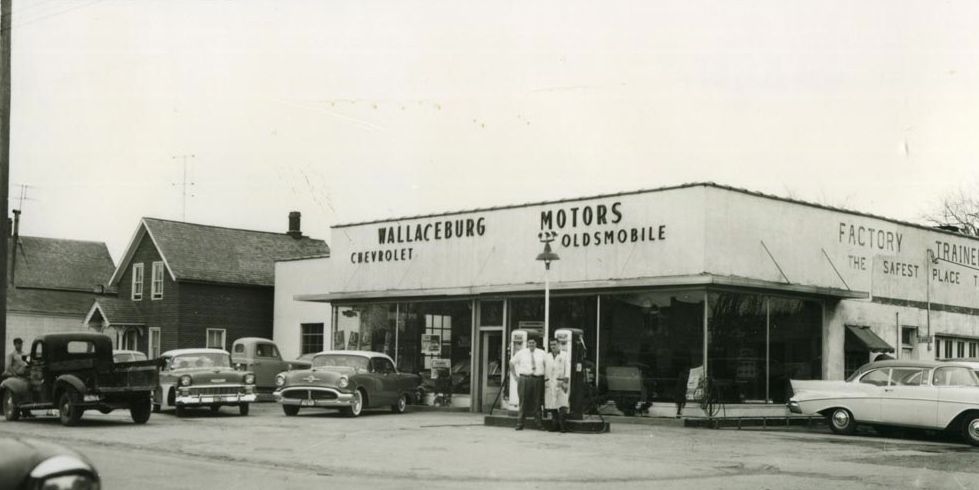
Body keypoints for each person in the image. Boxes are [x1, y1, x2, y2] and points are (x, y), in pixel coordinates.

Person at [509, 337, 546, 430]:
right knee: (523, 401)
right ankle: (520, 423)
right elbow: (511, 362)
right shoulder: (521, 353)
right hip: (524, 378)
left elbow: (547, 365)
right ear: (527, 344)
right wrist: (514, 376)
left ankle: (539, 423)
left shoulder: (542, 353)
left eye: (533, 342)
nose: (531, 344)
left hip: (538, 379)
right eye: (529, 343)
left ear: (536, 343)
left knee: (537, 401)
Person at [544, 339, 570, 432]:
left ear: (559, 345)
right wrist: (546, 381)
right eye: (551, 345)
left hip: (560, 382)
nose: (553, 346)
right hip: (550, 383)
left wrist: (565, 381)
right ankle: (554, 425)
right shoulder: (547, 356)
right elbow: (545, 369)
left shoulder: (564, 355)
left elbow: (567, 368)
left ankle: (562, 426)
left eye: (554, 344)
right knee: (552, 405)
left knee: (563, 404)